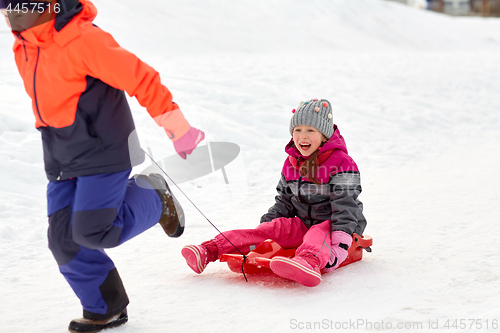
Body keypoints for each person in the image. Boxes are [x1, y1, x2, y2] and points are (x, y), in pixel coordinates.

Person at [1, 0, 204, 332]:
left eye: (19, 8)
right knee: (63, 239)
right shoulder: (23, 46)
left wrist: (178, 128)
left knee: (94, 231)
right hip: (61, 154)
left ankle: (153, 194)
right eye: (7, 10)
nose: (12, 17)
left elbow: (142, 78)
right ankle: (104, 307)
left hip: (103, 150)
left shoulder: (82, 38)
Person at [182, 98, 367, 287]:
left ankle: (308, 262)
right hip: (303, 223)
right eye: (297, 130)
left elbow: (346, 205)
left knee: (317, 233)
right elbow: (285, 201)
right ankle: (210, 250)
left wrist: (341, 242)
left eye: (310, 130)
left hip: (336, 225)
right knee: (268, 230)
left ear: (324, 135)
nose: (302, 136)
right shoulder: (292, 162)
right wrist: (267, 230)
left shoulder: (343, 163)